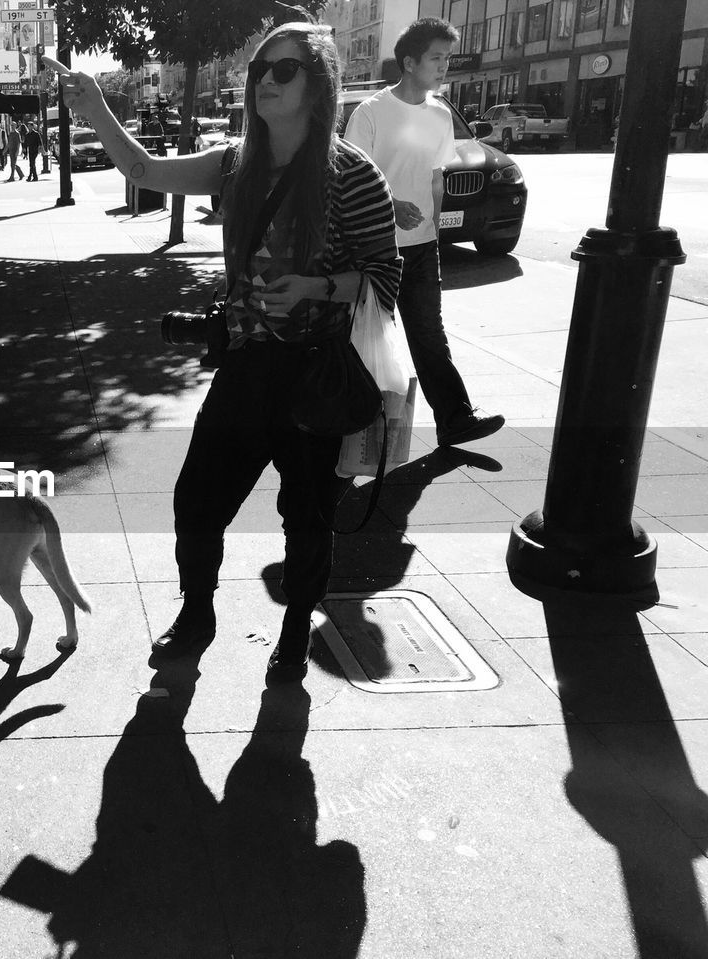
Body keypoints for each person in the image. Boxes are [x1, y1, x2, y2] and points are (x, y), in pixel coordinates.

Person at [47, 20, 401, 684]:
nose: (266, 79)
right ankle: (199, 614)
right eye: (260, 69)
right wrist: (94, 106)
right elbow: (144, 170)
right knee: (197, 501)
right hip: (247, 367)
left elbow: (386, 279)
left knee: (306, 514)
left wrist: (315, 287)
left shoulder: (354, 177)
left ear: (317, 83)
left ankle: (296, 627)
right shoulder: (237, 162)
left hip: (317, 370)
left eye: (285, 70)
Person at [344, 18, 503, 447]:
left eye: (447, 58)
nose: (444, 66)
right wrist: (391, 207)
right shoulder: (371, 113)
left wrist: (435, 226)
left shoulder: (438, 113)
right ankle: (349, 428)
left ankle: (455, 418)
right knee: (367, 339)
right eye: (437, 57)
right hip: (375, 251)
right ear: (409, 62)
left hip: (422, 247)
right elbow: (347, 180)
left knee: (429, 334)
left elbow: (436, 176)